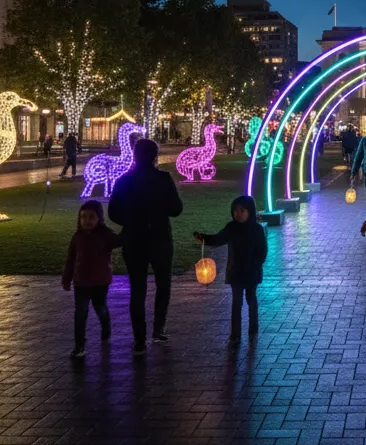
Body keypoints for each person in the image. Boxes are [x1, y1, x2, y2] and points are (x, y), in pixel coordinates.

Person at [108, 138, 183, 354]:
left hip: (134, 239)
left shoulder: (125, 180)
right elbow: (176, 208)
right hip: (159, 236)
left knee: (137, 289)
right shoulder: (163, 179)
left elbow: (113, 212)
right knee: (163, 284)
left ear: (135, 154)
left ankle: (139, 339)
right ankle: (158, 328)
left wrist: (131, 222)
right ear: (155, 156)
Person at [195, 195, 268, 346]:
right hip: (235, 271)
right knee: (236, 302)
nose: (238, 214)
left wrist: (255, 266)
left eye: (242, 210)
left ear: (250, 211)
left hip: (251, 272)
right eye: (235, 210)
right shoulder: (231, 228)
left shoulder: (257, 229)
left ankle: (253, 326)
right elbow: (219, 239)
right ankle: (235, 333)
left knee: (251, 298)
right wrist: (204, 238)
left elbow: (262, 252)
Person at [61, 199, 118, 359]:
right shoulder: (77, 237)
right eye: (83, 217)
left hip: (100, 281)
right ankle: (79, 344)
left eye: (91, 217)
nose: (87, 221)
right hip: (81, 281)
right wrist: (67, 278)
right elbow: (71, 259)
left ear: (99, 218)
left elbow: (119, 241)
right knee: (80, 312)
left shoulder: (105, 235)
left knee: (100, 307)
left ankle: (105, 325)